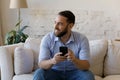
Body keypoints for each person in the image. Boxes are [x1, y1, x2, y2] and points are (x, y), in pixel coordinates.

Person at [33, 10, 95, 80]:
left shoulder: (82, 39)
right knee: (39, 73)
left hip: (75, 72)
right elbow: (41, 64)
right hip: (54, 72)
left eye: (60, 24)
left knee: (88, 75)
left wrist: (74, 60)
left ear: (70, 26)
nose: (55, 27)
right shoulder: (47, 39)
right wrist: (53, 61)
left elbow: (86, 66)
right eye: (55, 22)